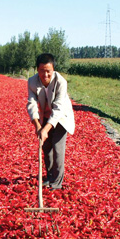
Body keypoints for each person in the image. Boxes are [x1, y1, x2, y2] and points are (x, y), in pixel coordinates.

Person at [26, 53, 75, 189]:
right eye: (42, 71)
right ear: (37, 70)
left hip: (61, 118)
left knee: (58, 149)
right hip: (44, 117)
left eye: (48, 71)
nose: (45, 75)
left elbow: (59, 109)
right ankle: (49, 176)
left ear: (53, 69)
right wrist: (37, 125)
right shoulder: (32, 82)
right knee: (46, 148)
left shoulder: (61, 82)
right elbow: (32, 104)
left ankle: (57, 183)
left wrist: (46, 129)